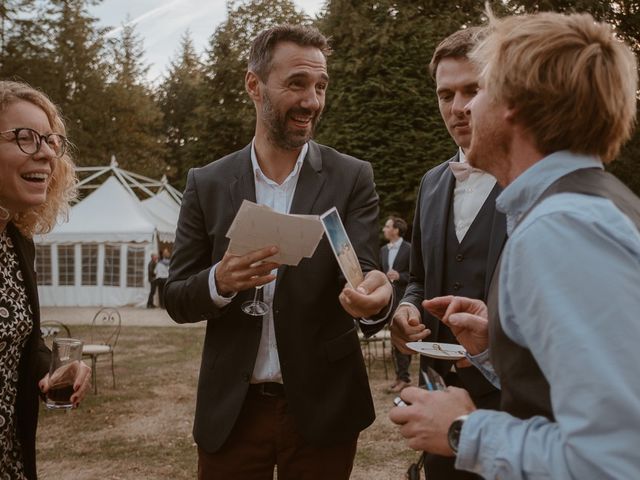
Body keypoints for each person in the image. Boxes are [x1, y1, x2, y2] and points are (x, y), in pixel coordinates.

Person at [389, 10, 640, 479]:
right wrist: (501, 345)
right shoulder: (584, 205)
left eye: (479, 90)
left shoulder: (563, 228)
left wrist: (463, 430)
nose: (462, 109)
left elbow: (618, 458)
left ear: (515, 105)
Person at [164, 25, 391, 480]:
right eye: (296, 84)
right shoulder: (206, 183)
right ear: (254, 85)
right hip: (233, 411)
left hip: (324, 406)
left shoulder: (351, 178)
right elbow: (175, 296)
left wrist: (374, 299)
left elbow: (364, 272)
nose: (312, 101)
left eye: (320, 86)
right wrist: (219, 281)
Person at [380, 27, 504, 480]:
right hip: (438, 401)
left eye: (473, 89)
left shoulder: (535, 182)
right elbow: (419, 276)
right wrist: (407, 309)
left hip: (515, 412)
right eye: (445, 94)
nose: (457, 108)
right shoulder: (432, 184)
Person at [0, 80, 92, 479]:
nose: (46, 152)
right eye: (24, 137)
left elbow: (23, 340)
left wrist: (51, 368)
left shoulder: (17, 240)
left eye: (51, 140)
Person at [380, 216, 412, 393]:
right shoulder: (383, 250)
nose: (384, 229)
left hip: (404, 301)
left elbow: (416, 276)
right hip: (388, 302)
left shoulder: (410, 249)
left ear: (396, 230)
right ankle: (399, 376)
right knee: (394, 340)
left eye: (387, 226)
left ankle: (405, 378)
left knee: (402, 340)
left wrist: (400, 276)